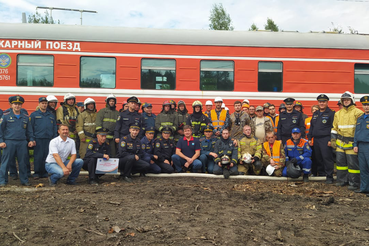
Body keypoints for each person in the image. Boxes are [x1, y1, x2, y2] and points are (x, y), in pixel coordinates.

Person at [0, 96, 35, 186]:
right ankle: (3, 180)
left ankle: (24, 180)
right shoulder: (6, 116)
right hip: (9, 142)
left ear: (21, 106)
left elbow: (29, 130)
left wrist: (31, 139)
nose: (17, 106)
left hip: (22, 142)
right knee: (5, 162)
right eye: (15, 104)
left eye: (19, 104)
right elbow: (1, 130)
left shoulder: (25, 117)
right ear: (11, 105)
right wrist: (1, 141)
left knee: (23, 162)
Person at [331, 91, 363, 190]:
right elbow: (334, 128)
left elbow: (360, 130)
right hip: (340, 143)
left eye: (347, 100)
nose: (345, 101)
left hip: (352, 143)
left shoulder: (358, 113)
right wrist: (333, 139)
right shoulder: (338, 114)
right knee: (340, 164)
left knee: (353, 165)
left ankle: (354, 183)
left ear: (352, 100)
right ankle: (341, 181)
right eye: (344, 100)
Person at [308, 96, 335, 182]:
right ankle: (322, 174)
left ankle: (329, 176)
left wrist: (331, 139)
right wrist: (309, 138)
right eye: (320, 102)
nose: (321, 103)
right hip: (316, 139)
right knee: (318, 158)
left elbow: (333, 127)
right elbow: (312, 127)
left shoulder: (331, 113)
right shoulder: (315, 114)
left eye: (323, 102)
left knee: (327, 158)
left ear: (327, 102)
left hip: (325, 139)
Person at [30, 97, 57, 179]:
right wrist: (32, 138)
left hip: (49, 139)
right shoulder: (34, 115)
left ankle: (44, 172)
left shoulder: (51, 115)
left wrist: (55, 138)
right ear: (39, 104)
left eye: (45, 103)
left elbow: (54, 127)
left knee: (47, 156)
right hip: (38, 139)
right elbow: (30, 128)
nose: (44, 105)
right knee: (38, 156)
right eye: (42, 103)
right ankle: (37, 173)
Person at [353, 96, 369, 195]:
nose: (366, 107)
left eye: (368, 105)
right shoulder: (360, 118)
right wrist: (355, 144)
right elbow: (356, 133)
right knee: (363, 169)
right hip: (361, 146)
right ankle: (364, 188)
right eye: (364, 105)